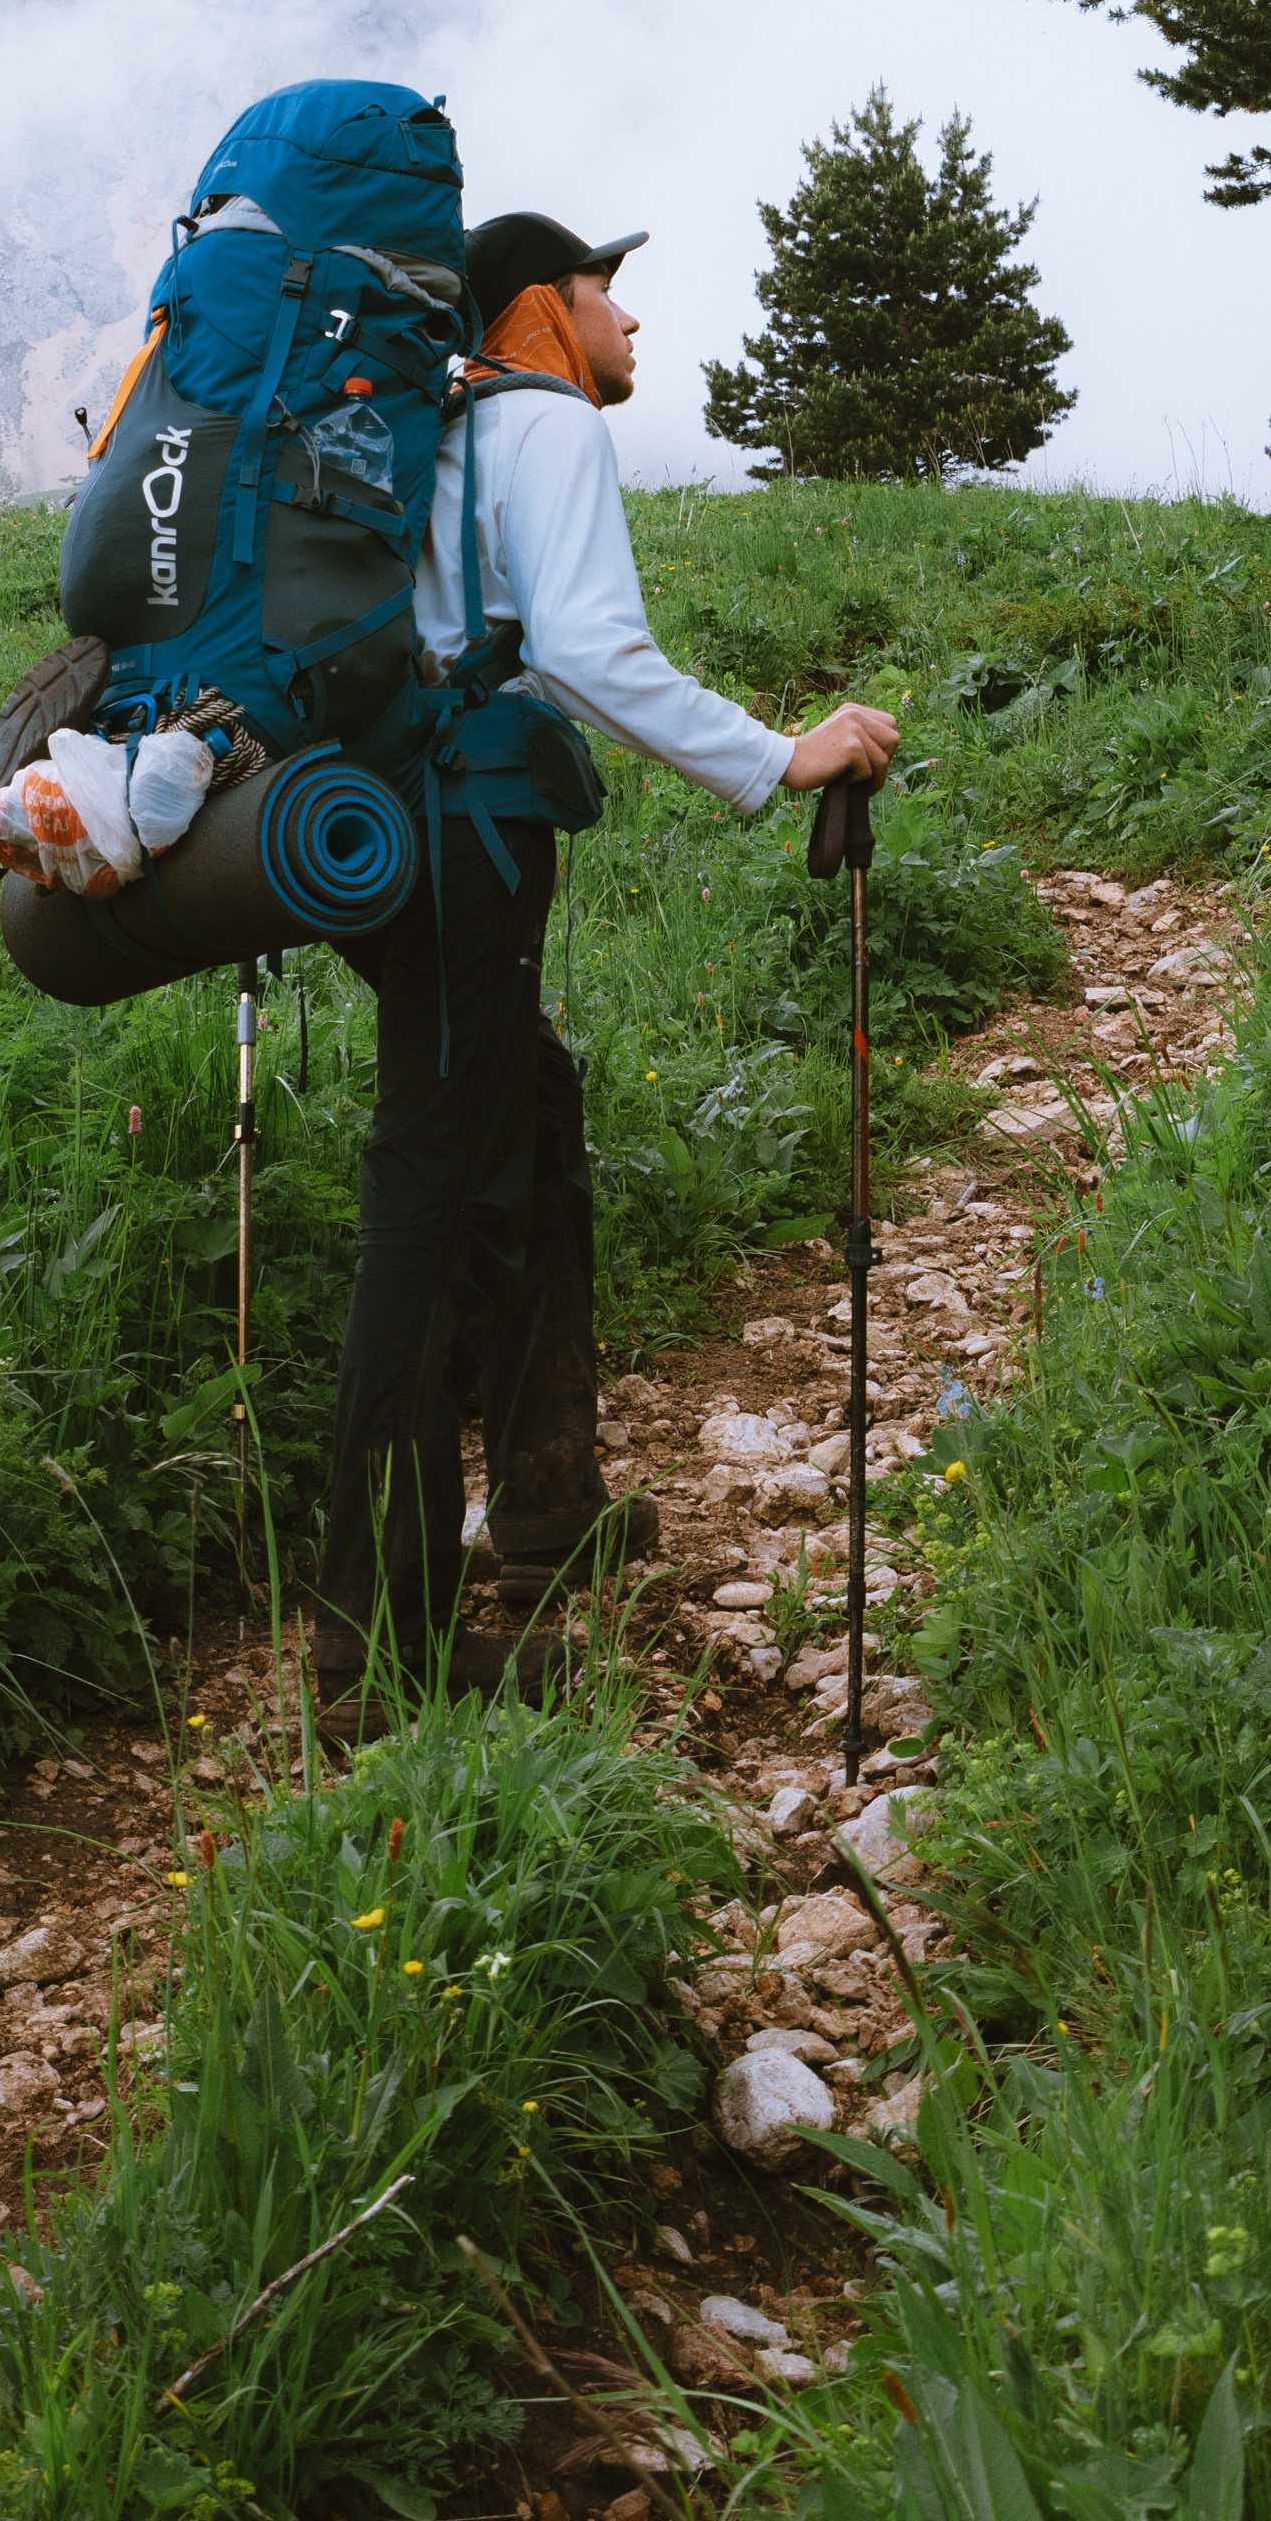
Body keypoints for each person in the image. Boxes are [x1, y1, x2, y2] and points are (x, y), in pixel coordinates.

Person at [312, 208, 900, 1702]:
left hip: (374, 829)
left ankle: (547, 1511)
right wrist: (783, 756)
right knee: (430, 1190)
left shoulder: (428, 435)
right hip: (467, 838)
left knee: (531, 1118)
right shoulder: (541, 424)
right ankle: (375, 1645)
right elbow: (583, 645)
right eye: (605, 293)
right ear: (534, 310)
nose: (628, 325)